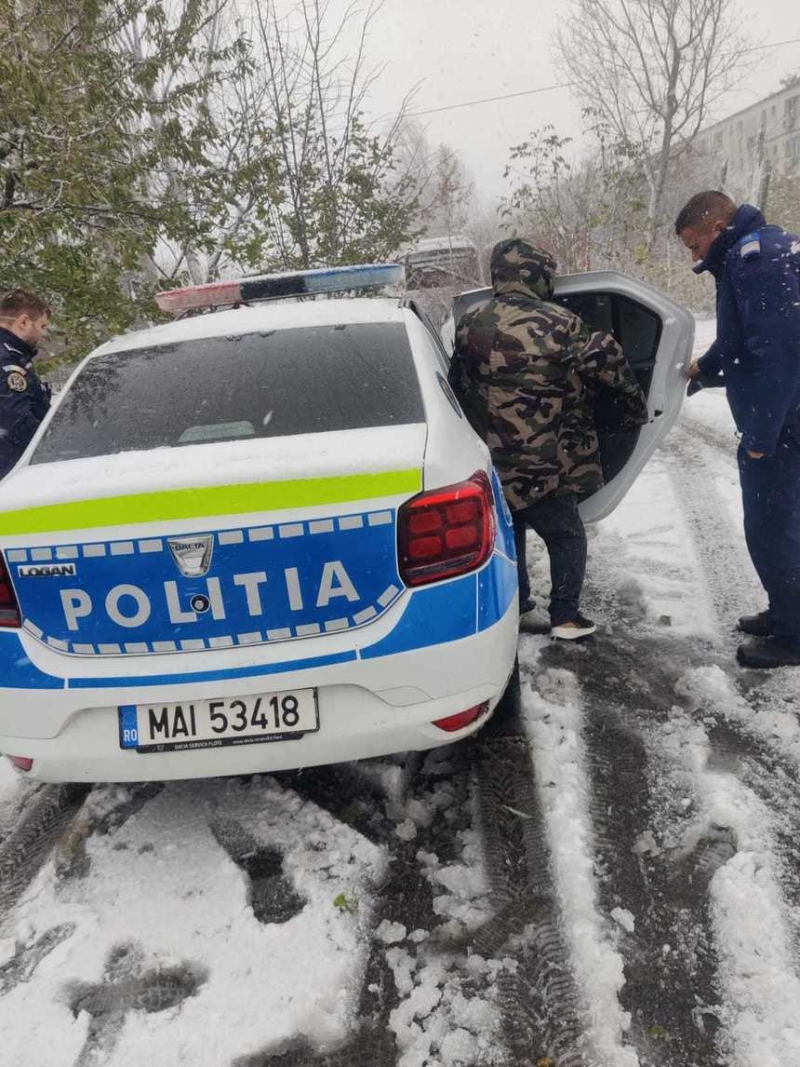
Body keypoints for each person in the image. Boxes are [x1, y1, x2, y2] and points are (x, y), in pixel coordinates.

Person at [449, 238, 648, 640]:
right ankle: (566, 616)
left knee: (512, 527)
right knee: (565, 534)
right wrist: (632, 409)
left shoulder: (470, 323)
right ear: (538, 274)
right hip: (543, 459)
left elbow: (456, 383)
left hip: (488, 459)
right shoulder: (561, 323)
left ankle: (517, 603)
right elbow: (609, 363)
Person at [676, 191, 800, 669]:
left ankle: (793, 636)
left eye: (693, 245)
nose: (694, 257)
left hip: (783, 425)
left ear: (715, 229)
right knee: (773, 525)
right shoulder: (754, 253)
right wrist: (704, 369)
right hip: (782, 420)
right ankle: (786, 610)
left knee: (772, 529)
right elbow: (741, 338)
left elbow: (783, 355)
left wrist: (761, 439)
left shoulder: (756, 260)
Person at [0, 289, 52, 480]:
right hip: (11, 474)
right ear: (23, 322)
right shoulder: (6, 361)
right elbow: (18, 423)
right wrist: (56, 448)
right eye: (42, 326)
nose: (43, 333)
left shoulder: (15, 355)